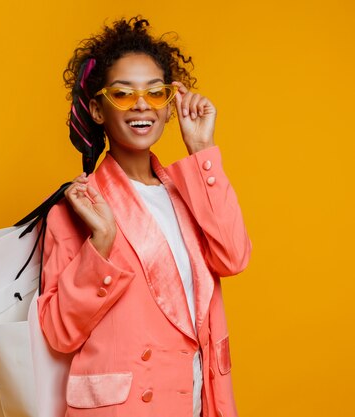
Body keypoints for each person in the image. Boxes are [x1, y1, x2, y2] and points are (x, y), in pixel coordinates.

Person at [37, 16, 252, 417]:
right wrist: (99, 245)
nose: (141, 104)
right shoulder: (79, 207)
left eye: (156, 94)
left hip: (197, 400)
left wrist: (201, 148)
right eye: (122, 93)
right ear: (98, 110)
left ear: (170, 108)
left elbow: (234, 258)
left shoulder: (189, 192)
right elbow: (58, 331)